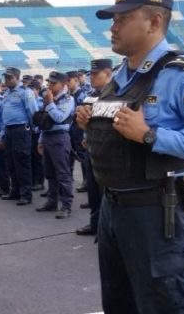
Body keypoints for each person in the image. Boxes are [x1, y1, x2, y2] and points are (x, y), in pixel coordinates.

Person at [76, 0, 184, 312]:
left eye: (123, 18)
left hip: (161, 213)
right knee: (121, 303)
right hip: (115, 211)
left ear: (153, 22)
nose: (113, 25)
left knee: (169, 304)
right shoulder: (120, 76)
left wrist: (152, 136)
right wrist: (90, 120)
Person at [75, 58, 113, 236]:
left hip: (108, 150)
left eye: (96, 74)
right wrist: (85, 135)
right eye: (91, 74)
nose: (92, 77)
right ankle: (95, 222)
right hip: (91, 148)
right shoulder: (90, 96)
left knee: (107, 190)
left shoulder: (117, 95)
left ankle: (107, 228)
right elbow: (86, 121)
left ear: (109, 74)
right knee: (93, 188)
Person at [35, 72, 75, 218]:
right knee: (50, 172)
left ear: (63, 85)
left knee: (63, 173)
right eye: (49, 83)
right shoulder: (49, 99)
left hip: (59, 138)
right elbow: (44, 121)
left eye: (53, 83)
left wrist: (50, 103)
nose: (50, 86)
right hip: (47, 136)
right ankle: (52, 202)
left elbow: (59, 118)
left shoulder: (67, 99)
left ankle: (66, 205)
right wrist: (40, 140)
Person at [0, 67, 38, 206]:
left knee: (22, 163)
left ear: (17, 78)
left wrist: (33, 130)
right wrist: (2, 134)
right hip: (9, 130)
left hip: (21, 130)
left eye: (10, 78)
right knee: (11, 162)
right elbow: (4, 116)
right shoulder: (6, 94)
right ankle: (15, 191)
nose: (7, 80)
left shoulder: (25, 92)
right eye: (6, 78)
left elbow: (32, 112)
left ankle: (26, 194)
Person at [67, 71, 89, 193]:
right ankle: (68, 178)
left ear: (76, 80)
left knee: (82, 154)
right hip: (71, 127)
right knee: (69, 153)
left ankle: (86, 181)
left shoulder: (82, 95)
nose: (67, 84)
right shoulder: (69, 95)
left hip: (78, 127)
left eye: (69, 81)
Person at [28, 80, 46, 192]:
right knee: (31, 158)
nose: (30, 91)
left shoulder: (41, 102)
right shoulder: (28, 101)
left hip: (38, 133)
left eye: (32, 89)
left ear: (38, 90)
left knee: (38, 159)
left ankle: (40, 182)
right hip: (30, 133)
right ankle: (33, 180)